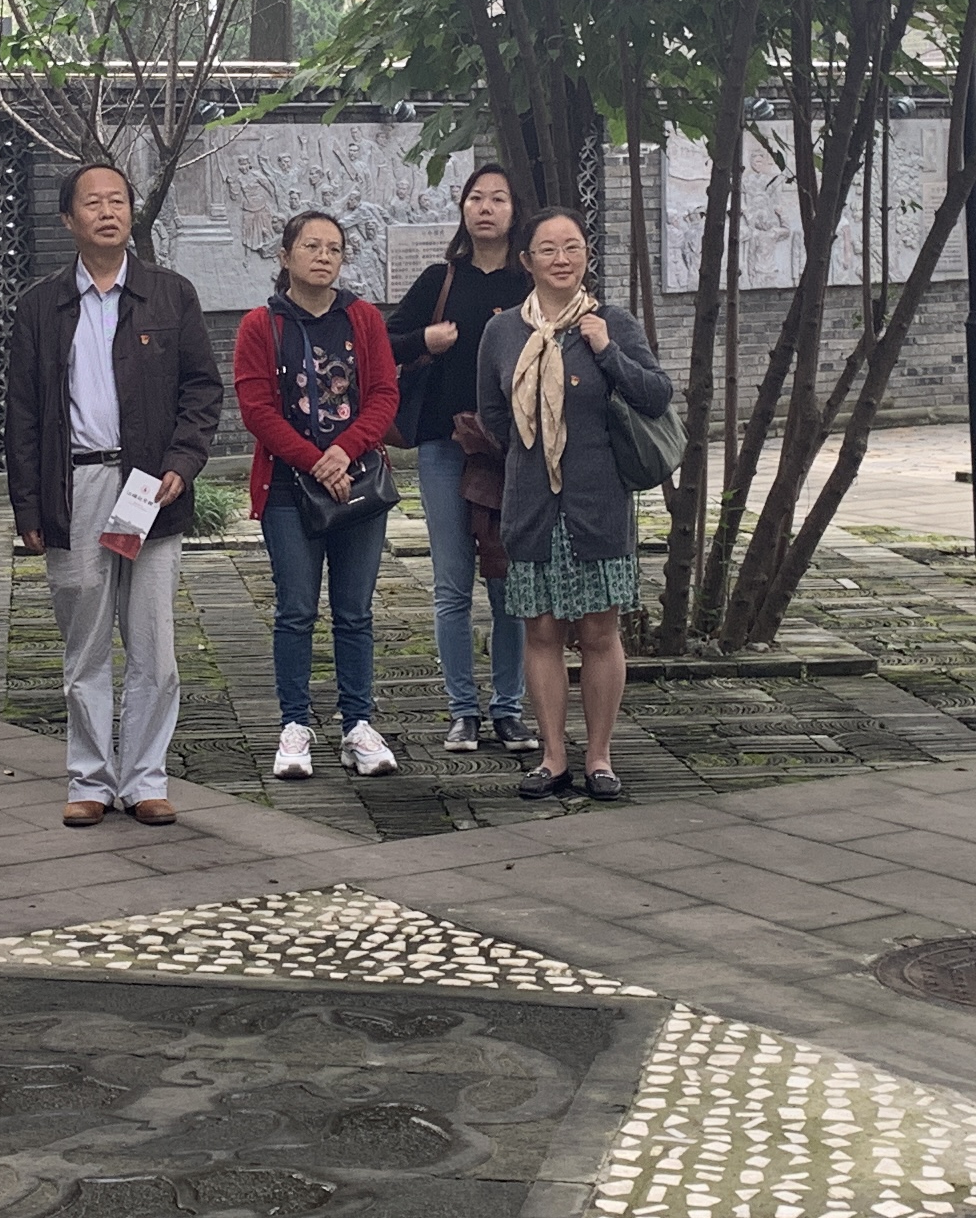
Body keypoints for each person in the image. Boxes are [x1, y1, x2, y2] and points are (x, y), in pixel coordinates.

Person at [5, 160, 222, 826]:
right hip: (74, 486)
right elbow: (21, 413)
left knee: (153, 644)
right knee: (86, 643)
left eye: (118, 200)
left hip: (149, 487)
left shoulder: (170, 294)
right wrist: (27, 506)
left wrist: (182, 463)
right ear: (67, 219)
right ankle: (90, 780)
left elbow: (202, 390)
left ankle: (146, 778)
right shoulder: (40, 305)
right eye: (92, 202)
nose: (108, 211)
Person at [478, 207, 675, 803]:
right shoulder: (502, 332)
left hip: (598, 503)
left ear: (587, 255)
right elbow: (493, 417)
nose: (561, 259)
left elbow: (656, 394)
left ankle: (599, 757)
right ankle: (552, 757)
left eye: (572, 247)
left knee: (598, 631)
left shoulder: (611, 321)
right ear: (527, 261)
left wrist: (607, 350)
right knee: (541, 631)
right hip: (532, 505)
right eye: (548, 249)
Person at [239, 209, 403, 783]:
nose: (323, 256)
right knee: (296, 610)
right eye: (311, 246)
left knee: (355, 611)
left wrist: (343, 452)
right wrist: (315, 460)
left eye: (334, 248)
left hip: (358, 485)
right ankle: (294, 726)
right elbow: (256, 410)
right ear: (285, 256)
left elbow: (384, 394)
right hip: (289, 489)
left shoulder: (363, 318)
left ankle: (358, 724)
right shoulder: (260, 326)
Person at [391, 165, 534, 755]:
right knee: (452, 584)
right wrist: (425, 340)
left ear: (514, 211)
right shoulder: (440, 279)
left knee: (508, 584)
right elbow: (383, 341)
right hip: (445, 447)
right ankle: (462, 711)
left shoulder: (530, 285)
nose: (486, 208)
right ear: (463, 209)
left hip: (513, 454)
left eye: (498, 198)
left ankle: (509, 709)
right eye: (476, 198)